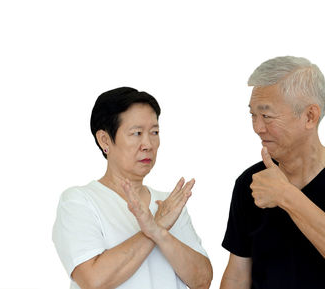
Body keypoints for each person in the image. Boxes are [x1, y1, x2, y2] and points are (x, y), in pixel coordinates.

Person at [220, 56, 325, 289]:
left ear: (310, 116)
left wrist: (285, 195)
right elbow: (237, 275)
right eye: (253, 115)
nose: (257, 128)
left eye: (267, 116)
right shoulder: (250, 183)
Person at [52, 87, 212, 289]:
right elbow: (93, 281)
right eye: (137, 133)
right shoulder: (79, 201)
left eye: (154, 132)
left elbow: (203, 280)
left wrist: (159, 231)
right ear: (104, 140)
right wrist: (155, 228)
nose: (148, 144)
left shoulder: (169, 204)